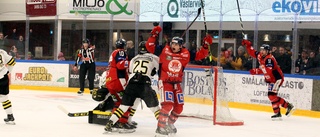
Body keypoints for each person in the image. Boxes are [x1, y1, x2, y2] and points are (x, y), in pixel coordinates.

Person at [104, 41, 160, 133]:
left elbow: (130, 70)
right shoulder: (154, 57)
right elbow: (160, 68)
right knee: (155, 108)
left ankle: (110, 123)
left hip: (132, 83)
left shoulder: (134, 58)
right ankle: (163, 126)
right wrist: (152, 71)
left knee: (123, 106)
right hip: (144, 84)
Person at [242, 40, 295, 120]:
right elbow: (252, 52)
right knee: (271, 96)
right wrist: (248, 45)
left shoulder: (269, 59)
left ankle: (288, 106)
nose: (262, 51)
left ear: (267, 51)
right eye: (261, 50)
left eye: (264, 50)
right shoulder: (260, 55)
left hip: (277, 78)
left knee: (272, 95)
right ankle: (277, 113)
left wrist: (257, 71)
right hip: (271, 79)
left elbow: (268, 71)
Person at [156, 36, 190, 136]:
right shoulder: (165, 50)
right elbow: (151, 47)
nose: (173, 46)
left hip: (176, 83)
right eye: (172, 43)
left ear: (180, 46)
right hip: (165, 82)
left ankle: (169, 124)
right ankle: (160, 127)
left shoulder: (185, 54)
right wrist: (154, 34)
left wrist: (205, 46)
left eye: (176, 44)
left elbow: (198, 55)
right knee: (168, 105)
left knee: (179, 107)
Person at [0, 48, 17, 124]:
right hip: (3, 77)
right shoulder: (2, 51)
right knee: (4, 98)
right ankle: (10, 116)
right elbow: (12, 62)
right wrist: (8, 72)